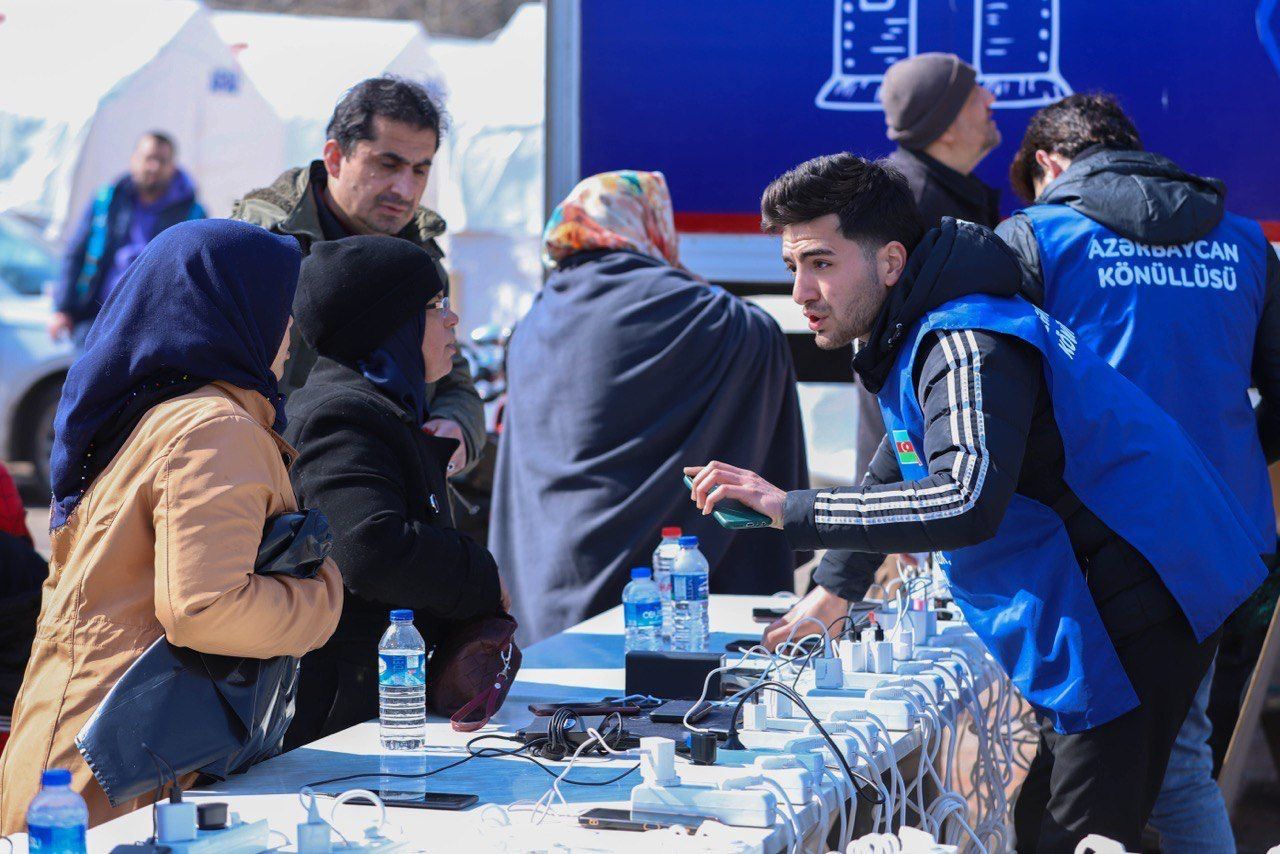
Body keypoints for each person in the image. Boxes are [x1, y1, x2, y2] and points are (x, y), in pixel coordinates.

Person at [685, 153, 1267, 852]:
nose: (803, 291)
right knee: (1122, 802)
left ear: (892, 261)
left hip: (1136, 604)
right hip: (1122, 593)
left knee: (1074, 835)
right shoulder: (926, 322)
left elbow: (964, 501)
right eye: (793, 268)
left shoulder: (964, 337)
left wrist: (790, 508)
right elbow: (898, 461)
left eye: (822, 263)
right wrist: (832, 591)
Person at [997, 93, 1280, 854]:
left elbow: (989, 390)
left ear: (1050, 165)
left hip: (1101, 543)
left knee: (1146, 763)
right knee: (1170, 757)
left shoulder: (1040, 234)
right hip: (1225, 543)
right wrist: (1225, 465)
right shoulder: (1245, 240)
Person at [0, 220, 344, 831]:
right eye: (278, 307)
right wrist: (321, 600)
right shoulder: (213, 430)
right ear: (233, 310)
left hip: (88, 762)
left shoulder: (161, 414)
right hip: (119, 784)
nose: (289, 330)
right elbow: (206, 608)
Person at [490, 170, 809, 644]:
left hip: (539, 604)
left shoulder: (532, 320)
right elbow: (757, 336)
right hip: (671, 613)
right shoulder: (716, 319)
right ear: (648, 222)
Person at [282, 235, 508, 746]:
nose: (452, 320)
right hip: (337, 727)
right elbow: (370, 550)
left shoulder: (378, 405)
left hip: (369, 710)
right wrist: (481, 576)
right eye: (434, 306)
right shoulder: (341, 416)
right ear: (390, 324)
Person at [233, 76, 483, 478]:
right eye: (388, 164)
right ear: (334, 158)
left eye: (420, 170)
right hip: (271, 497)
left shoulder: (421, 256)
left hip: (383, 492)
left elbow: (453, 381)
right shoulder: (261, 246)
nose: (404, 189)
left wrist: (456, 430)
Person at [843, 52, 1003, 548]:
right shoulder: (910, 201)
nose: (992, 99)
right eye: (977, 92)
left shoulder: (943, 194)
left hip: (935, 451)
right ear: (947, 122)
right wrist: (900, 485)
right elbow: (886, 349)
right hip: (914, 457)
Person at [50, 131, 206, 347]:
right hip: (95, 319)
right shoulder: (108, 200)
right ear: (134, 160)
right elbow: (75, 253)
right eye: (148, 158)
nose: (153, 166)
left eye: (162, 160)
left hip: (153, 332)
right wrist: (63, 308)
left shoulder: (193, 213)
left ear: (173, 167)